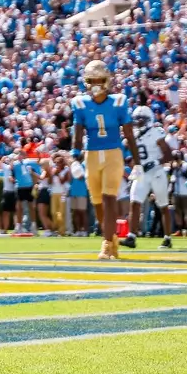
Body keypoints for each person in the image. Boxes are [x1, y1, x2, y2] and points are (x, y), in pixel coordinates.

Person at [70, 59, 137, 260]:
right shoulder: (80, 103)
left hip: (113, 153)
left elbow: (129, 133)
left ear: (107, 80)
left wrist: (137, 162)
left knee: (109, 198)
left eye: (100, 79)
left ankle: (106, 244)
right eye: (93, 79)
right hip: (91, 155)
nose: (97, 83)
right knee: (97, 203)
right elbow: (78, 131)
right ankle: (112, 238)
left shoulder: (118, 101)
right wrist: (74, 156)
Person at [123, 106, 176, 250]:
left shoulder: (156, 132)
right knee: (134, 202)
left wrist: (156, 162)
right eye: (137, 119)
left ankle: (167, 238)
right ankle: (131, 237)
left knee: (163, 205)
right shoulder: (133, 133)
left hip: (157, 171)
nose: (139, 122)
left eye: (142, 119)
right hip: (140, 171)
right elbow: (127, 147)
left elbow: (168, 155)